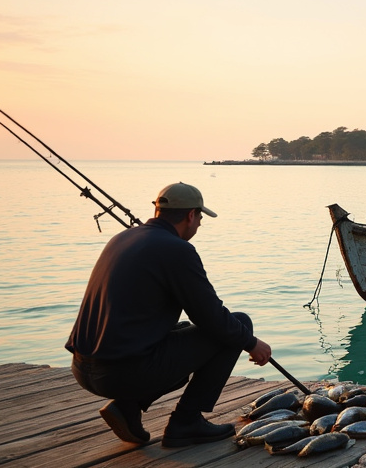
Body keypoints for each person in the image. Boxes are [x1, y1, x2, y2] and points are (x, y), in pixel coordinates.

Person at [65, 182, 272, 447]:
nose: (199, 224)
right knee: (239, 324)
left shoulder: (123, 238)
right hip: (118, 374)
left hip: (83, 367)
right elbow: (211, 317)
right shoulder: (177, 250)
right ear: (191, 215)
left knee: (183, 329)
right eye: (200, 217)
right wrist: (252, 343)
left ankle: (129, 406)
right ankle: (186, 422)